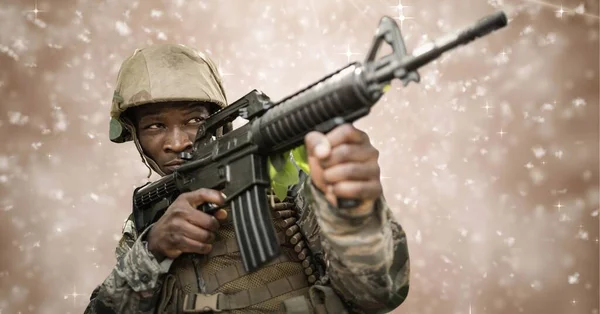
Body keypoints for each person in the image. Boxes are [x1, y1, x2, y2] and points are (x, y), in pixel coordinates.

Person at [84, 44, 410, 314]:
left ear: (220, 122)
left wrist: (354, 214)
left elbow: (377, 293)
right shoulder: (149, 220)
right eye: (155, 126)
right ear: (137, 137)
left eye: (195, 120)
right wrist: (154, 247)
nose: (178, 141)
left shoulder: (282, 182)